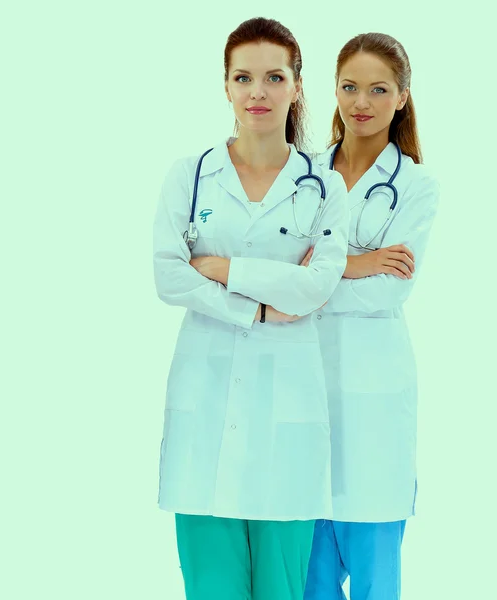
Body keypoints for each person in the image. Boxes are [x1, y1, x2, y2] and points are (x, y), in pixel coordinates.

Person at [152, 17, 350, 600]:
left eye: (273, 77)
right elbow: (167, 276)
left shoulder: (323, 184)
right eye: (244, 77)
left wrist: (223, 269)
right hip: (204, 408)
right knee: (212, 589)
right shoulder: (189, 177)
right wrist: (260, 309)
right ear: (226, 85)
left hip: (286, 411)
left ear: (295, 85)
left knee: (282, 590)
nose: (257, 92)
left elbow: (316, 287)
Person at [302, 33, 440, 600]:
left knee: (376, 581)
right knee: (306, 582)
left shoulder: (415, 185)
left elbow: (387, 294)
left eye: (379, 89)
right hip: (301, 386)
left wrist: (314, 276)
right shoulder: (300, 173)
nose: (362, 102)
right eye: (350, 87)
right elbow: (274, 271)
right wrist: (358, 264)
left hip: (375, 396)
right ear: (334, 91)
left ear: (402, 97)